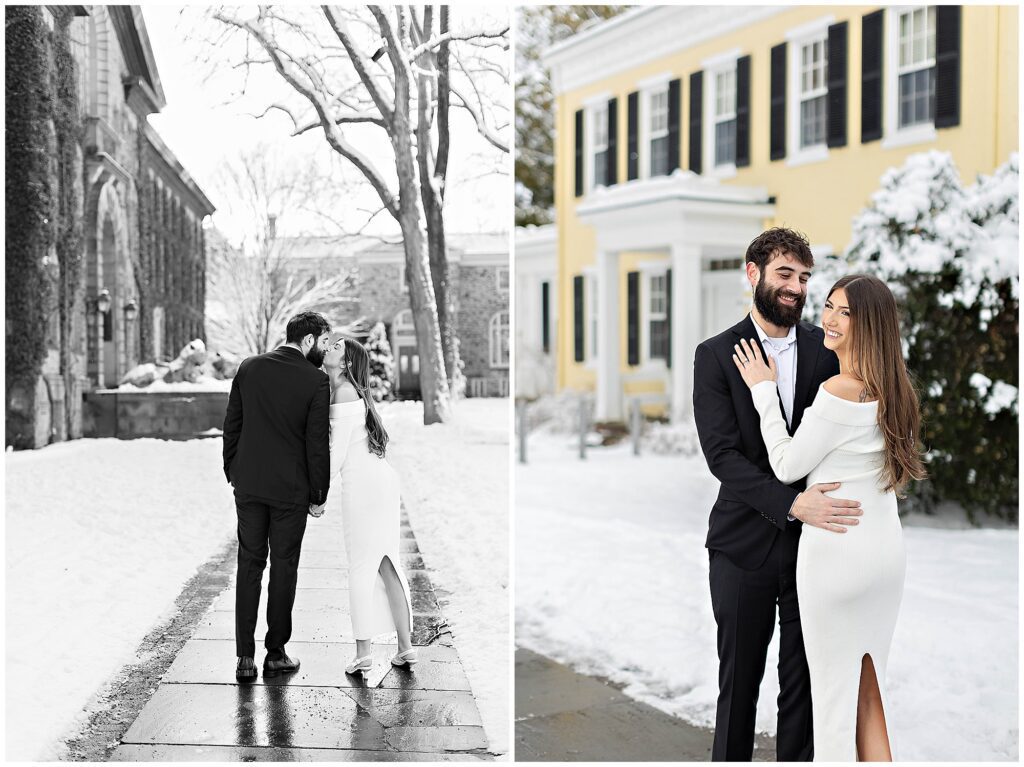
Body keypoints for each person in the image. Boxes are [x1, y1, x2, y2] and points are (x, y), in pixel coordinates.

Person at [732, 274, 926, 761]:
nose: (830, 320)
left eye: (845, 313)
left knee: (834, 703)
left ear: (870, 326)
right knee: (868, 692)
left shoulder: (839, 389)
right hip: (883, 557)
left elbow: (786, 464)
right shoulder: (897, 391)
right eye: (830, 306)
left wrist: (763, 390)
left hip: (837, 558)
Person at [693, 227, 863, 761]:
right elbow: (723, 457)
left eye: (805, 278)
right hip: (741, 547)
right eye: (785, 274)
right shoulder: (717, 355)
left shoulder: (826, 349)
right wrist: (791, 503)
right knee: (738, 690)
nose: (795, 287)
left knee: (803, 692)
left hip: (815, 551)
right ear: (754, 274)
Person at [222, 311, 332, 682]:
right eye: (323, 341)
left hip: (249, 487)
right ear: (307, 341)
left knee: (249, 566)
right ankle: (275, 653)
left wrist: (233, 471)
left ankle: (243, 658)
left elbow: (232, 425)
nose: (325, 349)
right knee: (284, 568)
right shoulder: (315, 380)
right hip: (291, 492)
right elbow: (316, 443)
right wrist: (319, 493)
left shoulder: (249, 368)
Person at [318, 334, 415, 675]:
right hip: (380, 481)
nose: (329, 345)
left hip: (364, 486)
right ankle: (405, 648)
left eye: (336, 346)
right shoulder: (347, 390)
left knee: (362, 565)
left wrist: (318, 496)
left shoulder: (343, 391)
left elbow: (336, 452)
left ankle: (363, 653)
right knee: (387, 564)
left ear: (345, 363)